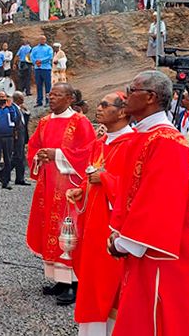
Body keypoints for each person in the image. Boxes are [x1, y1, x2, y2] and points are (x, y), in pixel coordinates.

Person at [108, 70, 189, 336]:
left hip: (159, 252)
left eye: (131, 90)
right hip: (143, 248)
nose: (125, 96)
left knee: (165, 318)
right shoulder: (146, 136)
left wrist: (124, 242)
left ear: (150, 97)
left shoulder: (168, 142)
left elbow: (160, 202)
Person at [65, 91, 133, 332]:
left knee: (111, 282)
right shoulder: (99, 143)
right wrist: (81, 190)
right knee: (93, 280)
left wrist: (104, 178)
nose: (99, 108)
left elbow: (135, 189)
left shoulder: (133, 144)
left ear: (123, 111)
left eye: (105, 105)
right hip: (93, 225)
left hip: (114, 228)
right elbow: (91, 176)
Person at [26, 83, 96, 306]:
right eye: (50, 94)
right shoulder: (45, 121)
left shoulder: (80, 122)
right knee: (51, 227)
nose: (51, 98)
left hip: (70, 187)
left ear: (69, 98)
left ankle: (74, 283)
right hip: (48, 184)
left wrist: (57, 154)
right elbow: (34, 146)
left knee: (69, 230)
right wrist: (40, 156)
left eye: (56, 95)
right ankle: (59, 278)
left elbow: (89, 152)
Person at [11, 91, 31, 186]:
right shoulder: (13, 108)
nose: (23, 100)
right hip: (17, 135)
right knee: (18, 157)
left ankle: (19, 178)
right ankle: (1, 173)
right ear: (18, 99)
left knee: (20, 157)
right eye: (22, 98)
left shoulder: (19, 108)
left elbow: (25, 120)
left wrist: (26, 110)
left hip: (22, 135)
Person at [30, 36, 54, 107]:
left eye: (44, 39)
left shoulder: (49, 48)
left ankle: (48, 101)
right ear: (39, 40)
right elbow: (31, 56)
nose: (42, 40)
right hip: (37, 69)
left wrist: (41, 61)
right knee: (39, 85)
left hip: (46, 69)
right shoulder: (34, 48)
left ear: (45, 40)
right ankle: (39, 101)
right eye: (41, 39)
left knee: (48, 85)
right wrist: (35, 62)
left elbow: (50, 57)